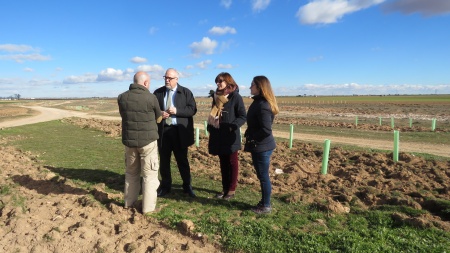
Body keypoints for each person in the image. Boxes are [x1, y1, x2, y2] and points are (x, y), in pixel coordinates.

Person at [117, 71, 162, 214]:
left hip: (129, 142)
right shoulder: (151, 97)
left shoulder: (122, 97)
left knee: (131, 173)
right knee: (150, 175)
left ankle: (129, 203)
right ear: (146, 83)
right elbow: (158, 117)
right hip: (148, 143)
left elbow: (123, 115)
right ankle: (148, 209)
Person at [153, 68, 197, 197]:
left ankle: (187, 186)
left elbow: (192, 110)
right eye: (165, 77)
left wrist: (177, 111)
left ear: (176, 79)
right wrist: (160, 113)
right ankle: (166, 186)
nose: (167, 80)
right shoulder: (158, 92)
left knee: (182, 161)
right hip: (164, 132)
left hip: (179, 133)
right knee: (164, 161)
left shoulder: (185, 92)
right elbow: (152, 110)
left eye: (170, 78)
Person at [207, 72, 246, 200]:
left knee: (232, 162)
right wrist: (210, 127)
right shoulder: (216, 97)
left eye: (220, 81)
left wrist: (232, 126)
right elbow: (213, 114)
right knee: (223, 162)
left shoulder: (236, 97)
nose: (218, 84)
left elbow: (242, 116)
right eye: (217, 81)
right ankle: (224, 189)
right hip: (218, 134)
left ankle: (231, 190)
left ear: (228, 83)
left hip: (230, 135)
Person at [244, 75, 279, 214]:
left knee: (263, 176)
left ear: (259, 87)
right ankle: (264, 202)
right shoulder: (258, 102)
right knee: (262, 175)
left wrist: (253, 139)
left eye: (252, 84)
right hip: (260, 145)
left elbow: (265, 130)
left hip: (262, 147)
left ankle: (266, 205)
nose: (250, 87)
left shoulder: (263, 105)